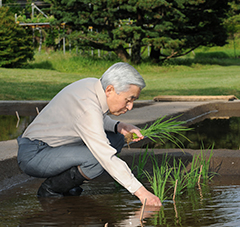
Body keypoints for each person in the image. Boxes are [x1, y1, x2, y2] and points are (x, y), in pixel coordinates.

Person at [17, 62, 162, 207]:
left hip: (55, 147)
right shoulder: (87, 107)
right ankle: (50, 190)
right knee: (97, 159)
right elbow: (105, 155)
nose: (130, 107)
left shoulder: (93, 85)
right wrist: (142, 193)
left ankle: (69, 183)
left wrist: (120, 126)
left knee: (116, 138)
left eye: (133, 100)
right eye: (128, 100)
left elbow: (95, 117)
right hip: (35, 154)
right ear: (110, 90)